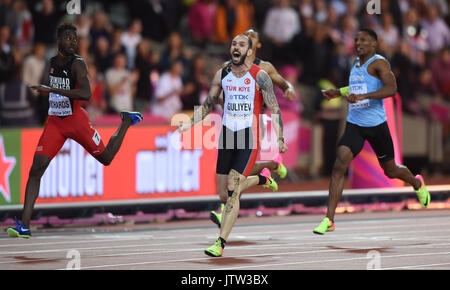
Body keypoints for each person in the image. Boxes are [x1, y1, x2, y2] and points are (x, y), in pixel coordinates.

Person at [7, 23, 143, 238]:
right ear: (58, 39)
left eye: (75, 39)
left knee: (106, 158)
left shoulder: (78, 63)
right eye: (69, 38)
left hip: (76, 121)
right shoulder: (51, 62)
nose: (73, 42)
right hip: (55, 123)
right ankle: (24, 225)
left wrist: (51, 89)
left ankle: (125, 121)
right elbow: (50, 93)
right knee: (36, 169)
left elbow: (86, 93)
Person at [178, 34, 287, 257]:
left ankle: (220, 243)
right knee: (222, 194)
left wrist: (280, 138)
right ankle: (262, 178)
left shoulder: (261, 76)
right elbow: (208, 104)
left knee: (233, 188)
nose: (236, 47)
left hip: (249, 136)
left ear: (249, 51)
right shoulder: (222, 74)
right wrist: (189, 123)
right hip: (227, 136)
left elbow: (274, 108)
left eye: (241, 44)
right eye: (233, 44)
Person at [314, 28, 431, 235]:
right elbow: (356, 87)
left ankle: (416, 182)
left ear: (374, 44)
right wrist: (338, 92)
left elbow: (391, 89)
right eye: (356, 39)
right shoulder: (355, 62)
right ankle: (329, 219)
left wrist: (364, 97)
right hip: (355, 124)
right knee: (339, 163)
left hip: (377, 126)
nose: (358, 42)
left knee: (391, 170)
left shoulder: (380, 63)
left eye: (364, 40)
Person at [209, 28, 296, 228]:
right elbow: (216, 93)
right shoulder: (227, 67)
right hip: (232, 124)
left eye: (252, 36)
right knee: (237, 172)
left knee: (239, 172)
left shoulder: (265, 67)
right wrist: (224, 102)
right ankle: (270, 169)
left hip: (255, 123)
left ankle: (224, 211)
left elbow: (283, 84)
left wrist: (289, 89)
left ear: (257, 45)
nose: (247, 38)